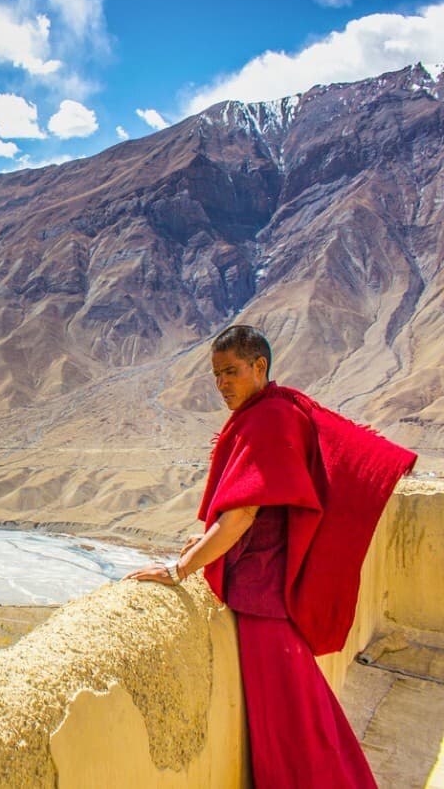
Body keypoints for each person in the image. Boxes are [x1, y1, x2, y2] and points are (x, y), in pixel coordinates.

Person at [125, 324, 417, 788]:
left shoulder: (270, 419)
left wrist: (181, 568)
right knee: (303, 709)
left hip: (264, 601)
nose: (222, 384)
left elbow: (242, 513)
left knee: (288, 719)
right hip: (271, 593)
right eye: (216, 375)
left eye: (231, 372)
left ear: (260, 367)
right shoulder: (281, 406)